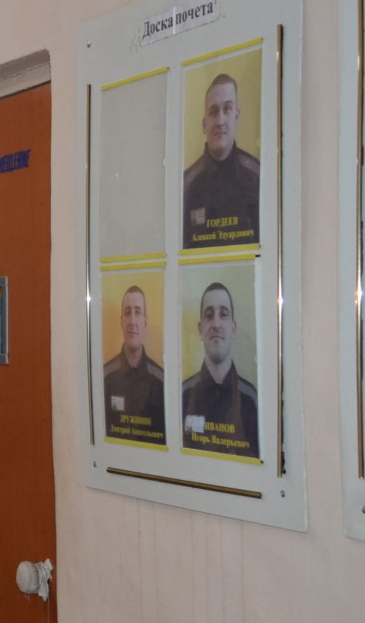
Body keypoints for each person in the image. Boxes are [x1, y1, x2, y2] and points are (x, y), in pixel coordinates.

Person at [181, 281, 259, 459]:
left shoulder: (251, 400)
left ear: (233, 328)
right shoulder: (183, 395)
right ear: (200, 329)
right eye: (209, 315)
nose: (216, 324)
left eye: (223, 314)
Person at [182, 73, 259, 248]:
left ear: (236, 117)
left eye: (227, 109)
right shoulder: (186, 185)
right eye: (214, 112)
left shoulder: (257, 178)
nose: (220, 121)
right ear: (204, 124)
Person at [103, 285, 165, 446]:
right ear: (121, 321)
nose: (132, 321)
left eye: (138, 312)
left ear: (145, 321)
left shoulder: (162, 381)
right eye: (127, 312)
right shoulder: (104, 378)